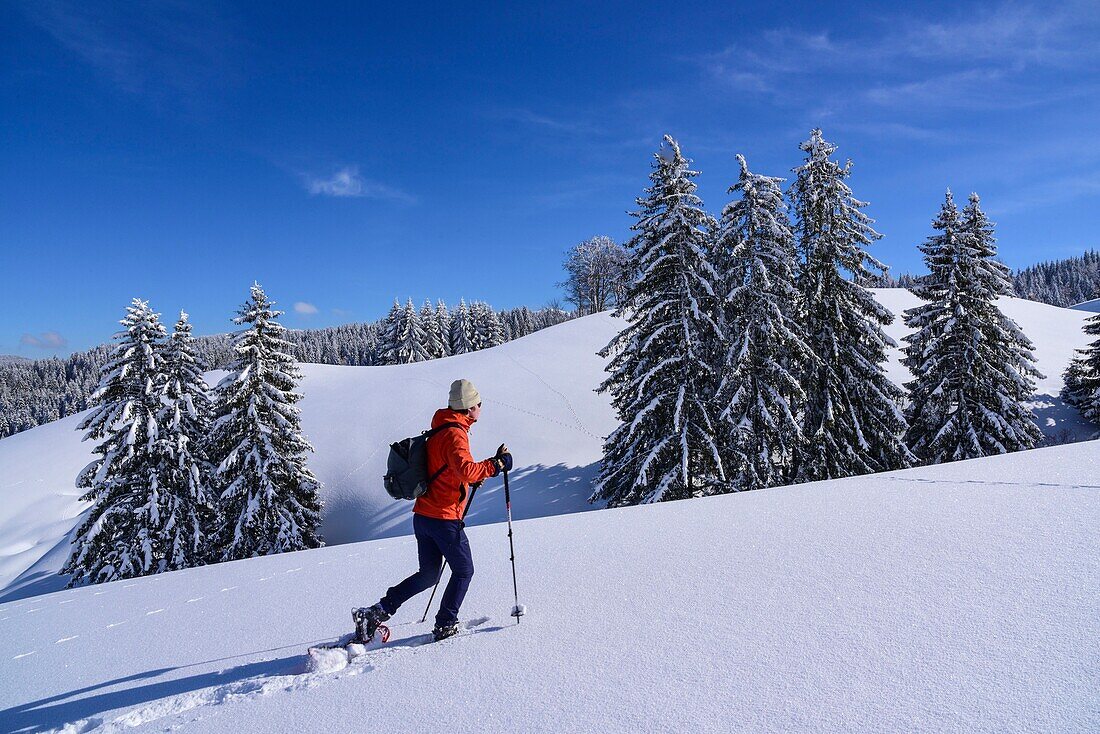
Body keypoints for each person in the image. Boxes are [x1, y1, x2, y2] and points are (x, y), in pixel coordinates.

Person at [354, 378, 513, 642]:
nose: (481, 408)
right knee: (464, 571)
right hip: (444, 518)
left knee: (428, 575)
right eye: (479, 403)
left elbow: (451, 471)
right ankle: (445, 624)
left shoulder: (440, 429)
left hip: (424, 516)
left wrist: (475, 473)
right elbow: (465, 470)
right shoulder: (455, 434)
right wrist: (497, 465)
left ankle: (377, 611)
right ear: (469, 407)